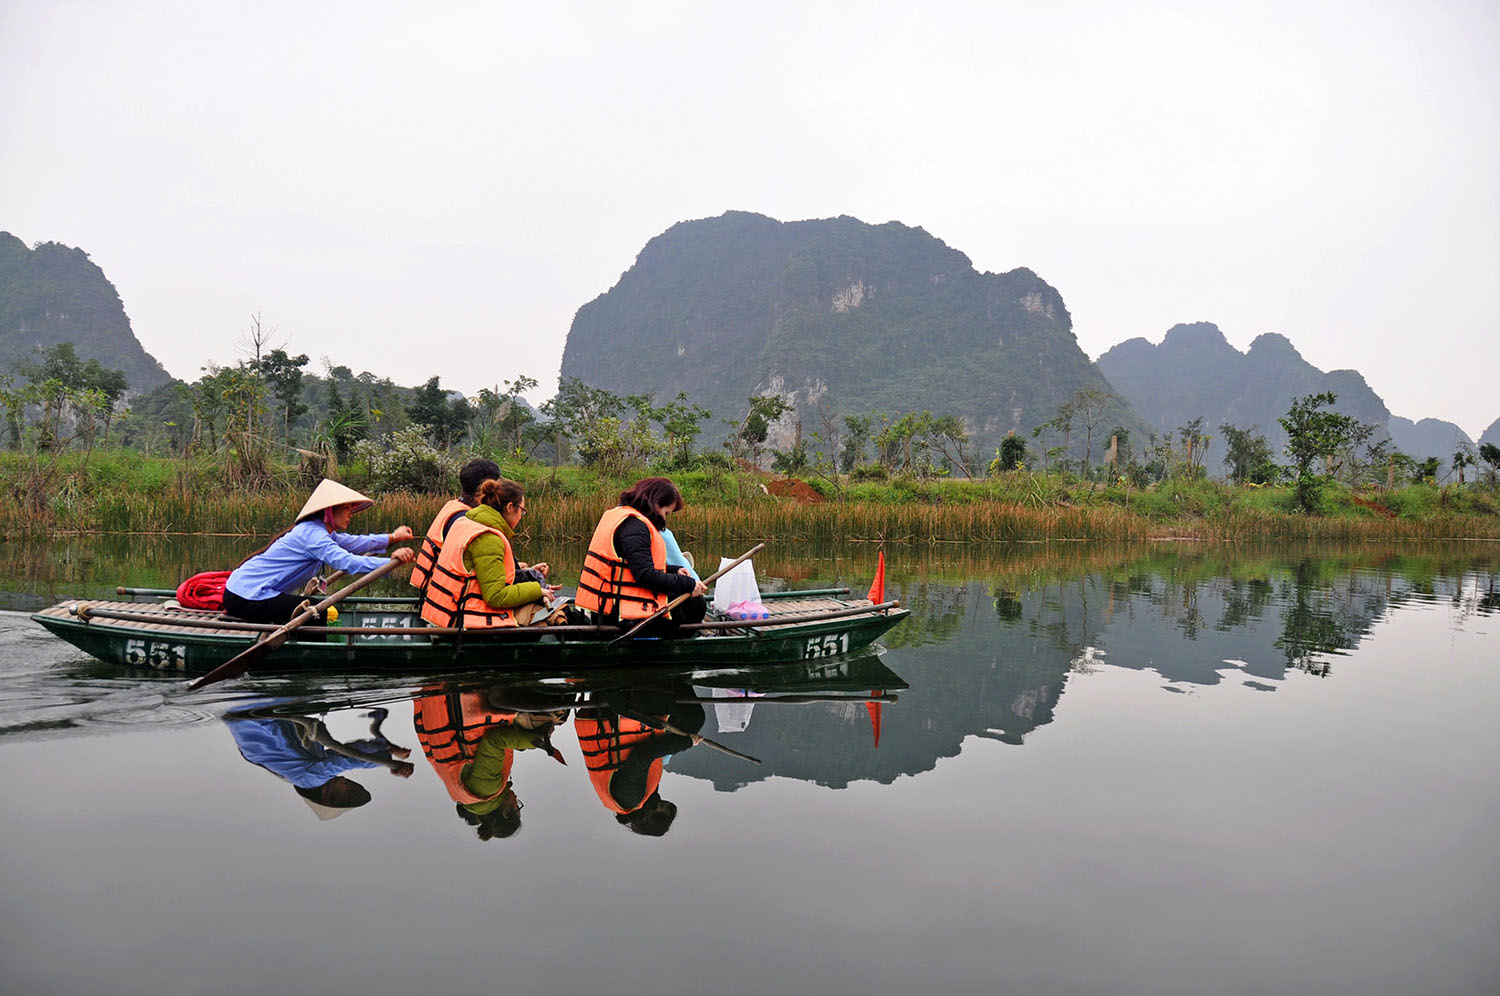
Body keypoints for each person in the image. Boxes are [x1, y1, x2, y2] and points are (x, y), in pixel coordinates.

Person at [223, 479, 416, 625]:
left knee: (314, 607)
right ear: (329, 512)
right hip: (246, 596)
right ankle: (313, 661)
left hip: (246, 592)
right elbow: (347, 563)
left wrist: (393, 537)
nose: (351, 514)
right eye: (347, 508)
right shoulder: (312, 535)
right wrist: (390, 562)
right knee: (319, 610)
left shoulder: (321, 532)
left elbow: (354, 543)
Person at [413, 684, 567, 841]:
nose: (515, 797)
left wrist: (535, 742)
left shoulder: (487, 790)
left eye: (516, 805)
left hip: (462, 693)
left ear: (506, 812)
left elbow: (494, 741)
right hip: (435, 695)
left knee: (555, 713)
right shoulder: (457, 791)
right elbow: (429, 748)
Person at [225, 703, 414, 821]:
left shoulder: (308, 779)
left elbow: (346, 760)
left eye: (347, 796)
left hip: (252, 716)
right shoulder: (312, 770)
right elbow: (349, 752)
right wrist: (388, 752)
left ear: (327, 797)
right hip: (264, 713)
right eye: (354, 792)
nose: (350, 788)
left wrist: (389, 764)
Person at [420, 477, 560, 630]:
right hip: (462, 625)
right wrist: (537, 590)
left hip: (446, 615)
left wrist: (527, 573)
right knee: (542, 621)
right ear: (510, 507)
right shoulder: (488, 537)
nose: (521, 516)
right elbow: (496, 597)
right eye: (522, 510)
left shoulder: (467, 522)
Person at [576, 477, 707, 636]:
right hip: (620, 615)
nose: (665, 519)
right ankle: (671, 652)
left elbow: (630, 569)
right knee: (695, 604)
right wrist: (687, 583)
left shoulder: (622, 516)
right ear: (655, 503)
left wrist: (674, 571)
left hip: (609, 607)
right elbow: (645, 575)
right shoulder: (634, 527)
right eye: (666, 513)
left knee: (690, 602)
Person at [574, 686, 705, 837]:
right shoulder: (627, 801)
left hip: (620, 710)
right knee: (689, 724)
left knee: (693, 719)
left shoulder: (631, 798)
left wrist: (686, 743)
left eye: (661, 806)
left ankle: (674, 677)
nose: (660, 800)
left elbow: (642, 756)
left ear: (650, 815)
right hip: (619, 715)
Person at [408, 457, 501, 595]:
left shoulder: (455, 507)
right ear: (485, 488)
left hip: (435, 594)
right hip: (452, 601)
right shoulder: (466, 521)